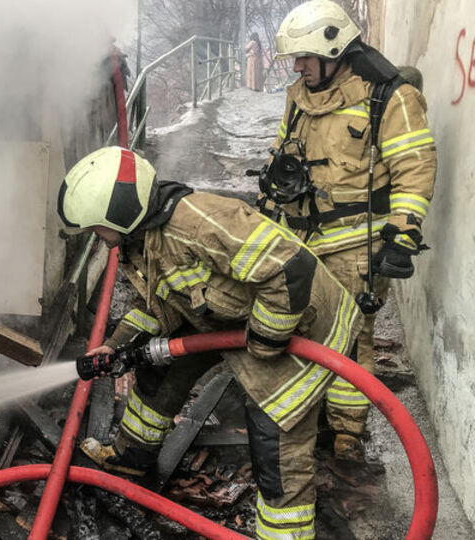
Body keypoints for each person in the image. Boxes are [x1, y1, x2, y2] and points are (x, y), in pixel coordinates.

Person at [59, 146, 362, 540]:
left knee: (274, 446)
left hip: (300, 328)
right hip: (228, 320)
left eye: (96, 229)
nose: (96, 239)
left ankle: (285, 533)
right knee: (157, 365)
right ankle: (131, 458)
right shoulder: (142, 239)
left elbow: (291, 271)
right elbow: (154, 304)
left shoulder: (199, 224)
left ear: (120, 213)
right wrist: (119, 347)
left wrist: (266, 340)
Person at [260, 0, 436, 461]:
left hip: (356, 244)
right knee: (301, 329)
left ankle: (346, 435)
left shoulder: (390, 97)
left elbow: (414, 168)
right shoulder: (299, 95)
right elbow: (283, 151)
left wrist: (403, 233)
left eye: (305, 57)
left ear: (334, 50)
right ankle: (309, 417)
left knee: (352, 338)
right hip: (300, 240)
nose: (297, 67)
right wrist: (268, 204)